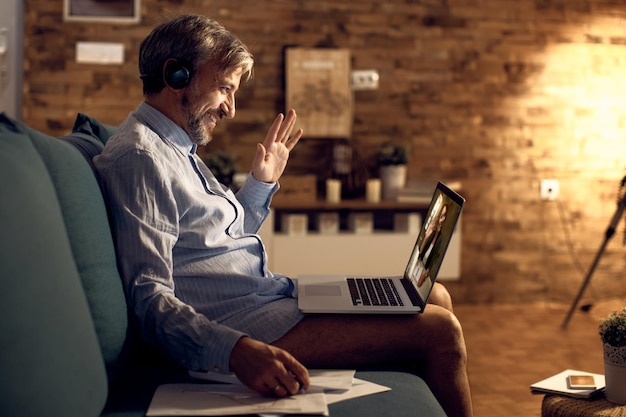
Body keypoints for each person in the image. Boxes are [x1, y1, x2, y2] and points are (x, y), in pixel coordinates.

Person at [94, 14, 473, 417]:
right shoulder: (140, 157)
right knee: (442, 331)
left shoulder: (176, 149)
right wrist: (236, 350)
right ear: (177, 74)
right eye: (225, 88)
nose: (231, 109)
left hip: (268, 299)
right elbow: (149, 295)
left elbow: (221, 237)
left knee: (434, 295)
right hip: (246, 325)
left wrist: (261, 181)